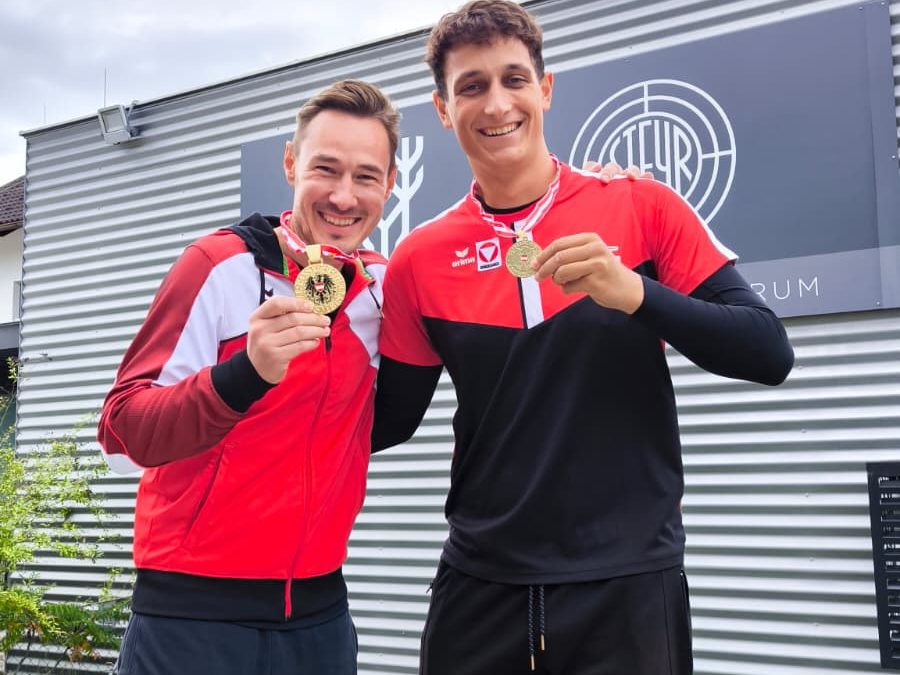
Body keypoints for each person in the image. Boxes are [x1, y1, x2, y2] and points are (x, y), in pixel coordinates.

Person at [372, 2, 795, 674]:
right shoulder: (420, 257)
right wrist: (263, 369)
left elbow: (768, 352)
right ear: (444, 109)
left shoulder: (641, 204)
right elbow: (384, 420)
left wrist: (634, 293)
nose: (496, 102)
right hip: (482, 587)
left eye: (514, 79)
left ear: (545, 88)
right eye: (471, 86)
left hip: (626, 585)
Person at [97, 79, 400, 675]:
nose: (344, 195)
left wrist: (610, 190)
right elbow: (122, 430)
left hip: (320, 615)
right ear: (290, 164)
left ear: (389, 185)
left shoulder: (385, 289)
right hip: (193, 616)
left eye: (366, 176)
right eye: (325, 169)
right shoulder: (218, 265)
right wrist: (244, 376)